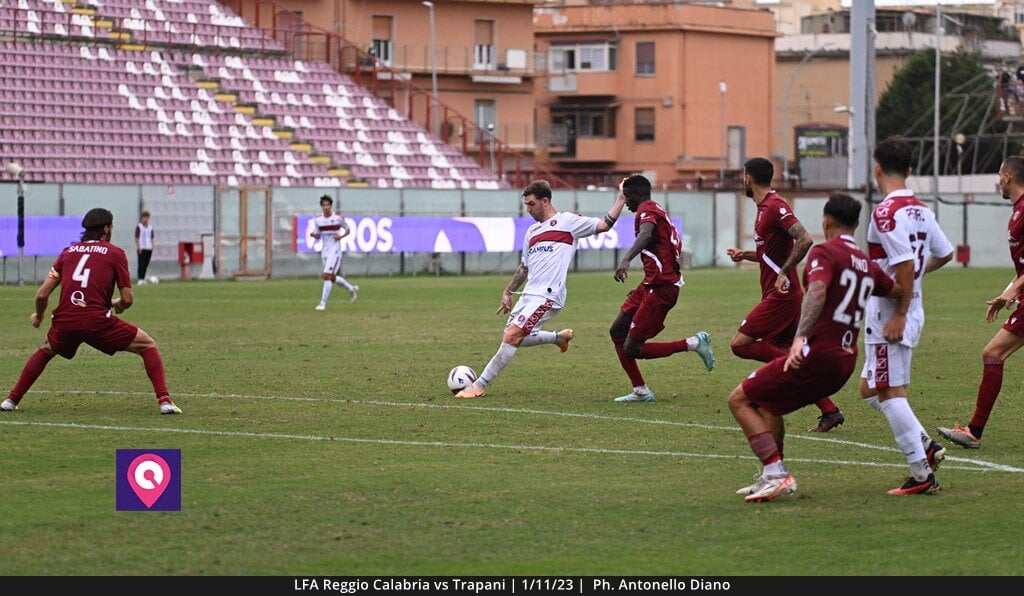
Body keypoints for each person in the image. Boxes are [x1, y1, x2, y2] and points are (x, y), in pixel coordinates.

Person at [727, 193, 900, 502]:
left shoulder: (825, 252)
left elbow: (817, 290)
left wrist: (799, 338)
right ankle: (772, 474)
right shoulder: (865, 263)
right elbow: (898, 291)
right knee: (768, 403)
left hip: (818, 355)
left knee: (739, 400)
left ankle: (776, 473)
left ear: (826, 222)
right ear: (857, 224)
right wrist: (901, 314)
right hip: (846, 362)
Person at [455, 179, 626, 399]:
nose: (528, 209)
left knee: (512, 336)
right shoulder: (532, 231)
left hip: (548, 295)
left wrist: (621, 197)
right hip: (528, 295)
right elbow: (524, 267)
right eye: (526, 204)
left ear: (545, 201)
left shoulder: (568, 222)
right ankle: (558, 338)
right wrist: (508, 291)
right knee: (516, 337)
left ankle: (478, 385)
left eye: (531, 204)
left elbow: (604, 225)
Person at [1, 208, 180, 415]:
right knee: (147, 344)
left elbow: (41, 295)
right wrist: (118, 306)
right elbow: (128, 299)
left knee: (46, 349)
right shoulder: (115, 253)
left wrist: (39, 316)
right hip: (97, 321)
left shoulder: (68, 252)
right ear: (106, 229)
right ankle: (164, 401)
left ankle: (11, 400)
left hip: (66, 320)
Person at [860, 136, 953, 495]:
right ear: (910, 170)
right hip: (910, 309)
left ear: (877, 169)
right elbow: (944, 253)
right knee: (870, 388)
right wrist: (914, 275)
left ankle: (921, 474)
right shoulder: (923, 210)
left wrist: (899, 311)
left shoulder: (886, 211)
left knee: (888, 392)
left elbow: (902, 263)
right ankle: (925, 444)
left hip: (891, 314)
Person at [725, 157, 845, 432]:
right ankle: (829, 410)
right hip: (780, 294)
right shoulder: (763, 208)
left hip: (782, 296)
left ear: (748, 178)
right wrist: (746, 254)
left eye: (743, 176)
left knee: (739, 345)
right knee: (784, 353)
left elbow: (805, 239)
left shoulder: (775, 206)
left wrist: (784, 272)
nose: (742, 180)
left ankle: (789, 375)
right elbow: (771, 253)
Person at [938, 156, 1024, 449]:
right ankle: (974, 430)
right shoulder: (1016, 211)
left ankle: (974, 431)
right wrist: (1007, 292)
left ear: (1008, 177)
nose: (998, 181)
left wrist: (1015, 290)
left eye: (999, 175)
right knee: (993, 354)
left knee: (993, 353)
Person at [609, 174, 714, 403]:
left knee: (632, 348)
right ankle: (640, 390)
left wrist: (626, 258)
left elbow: (646, 233)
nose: (626, 202)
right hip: (651, 284)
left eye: (627, 197)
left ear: (637, 195)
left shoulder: (646, 209)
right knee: (617, 330)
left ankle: (693, 343)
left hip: (662, 288)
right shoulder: (655, 208)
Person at [312, 194, 358, 309]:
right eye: (324, 205)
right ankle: (351, 289)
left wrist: (340, 237)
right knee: (331, 277)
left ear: (331, 206)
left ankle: (322, 303)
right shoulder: (318, 220)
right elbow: (318, 235)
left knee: (326, 275)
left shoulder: (338, 218)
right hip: (325, 251)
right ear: (321, 207)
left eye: (328, 205)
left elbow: (348, 230)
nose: (326, 207)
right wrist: (314, 235)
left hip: (335, 251)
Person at [135, 210, 154, 284]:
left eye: (146, 217)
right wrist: (139, 246)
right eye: (144, 217)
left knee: (146, 264)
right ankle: (140, 278)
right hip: (142, 248)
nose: (145, 219)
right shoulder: (139, 227)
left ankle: (143, 278)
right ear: (142, 218)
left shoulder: (150, 227)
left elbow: (152, 237)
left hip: (149, 248)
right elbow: (137, 237)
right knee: (141, 264)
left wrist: (152, 246)